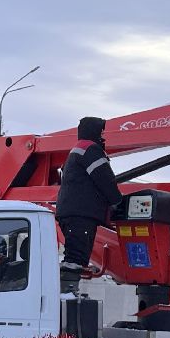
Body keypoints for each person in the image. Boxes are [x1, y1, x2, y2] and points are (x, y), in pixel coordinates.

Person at [55, 116, 123, 295]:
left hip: (73, 212)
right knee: (75, 258)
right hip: (81, 214)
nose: (103, 136)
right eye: (101, 131)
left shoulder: (78, 150)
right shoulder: (90, 150)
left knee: (75, 256)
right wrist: (117, 202)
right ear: (94, 131)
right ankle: (67, 296)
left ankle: (68, 294)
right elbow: (105, 179)